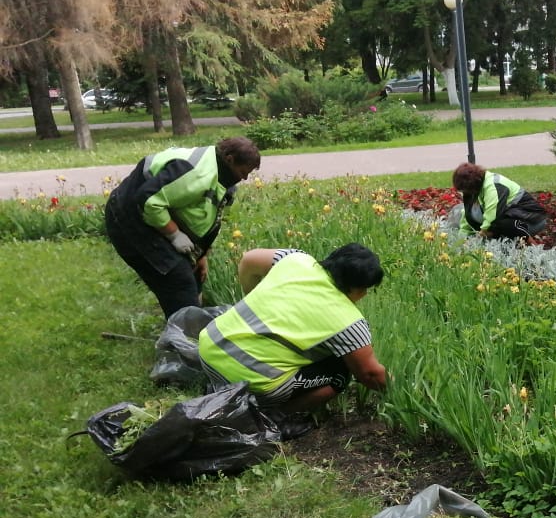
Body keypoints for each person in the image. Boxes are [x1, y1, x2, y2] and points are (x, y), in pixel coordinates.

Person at [198, 244, 388, 414]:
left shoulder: (295, 259)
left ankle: (222, 389)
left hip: (208, 350)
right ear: (356, 288)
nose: (364, 294)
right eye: (365, 289)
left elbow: (249, 259)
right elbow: (370, 374)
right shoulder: (349, 322)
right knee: (340, 371)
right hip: (253, 384)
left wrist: (252, 296)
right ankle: (275, 416)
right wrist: (397, 388)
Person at [104, 137, 261, 318]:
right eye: (242, 171)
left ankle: (189, 328)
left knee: (194, 274)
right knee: (177, 277)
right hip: (127, 214)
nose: (244, 178)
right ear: (230, 159)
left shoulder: (222, 177)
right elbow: (149, 201)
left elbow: (207, 218)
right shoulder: (195, 173)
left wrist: (201, 256)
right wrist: (174, 234)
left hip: (156, 212)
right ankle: (185, 339)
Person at [452, 162, 548, 240]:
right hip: (510, 219)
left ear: (472, 185)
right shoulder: (471, 191)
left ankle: (529, 244)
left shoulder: (494, 186)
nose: (463, 193)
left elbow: (492, 217)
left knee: (504, 225)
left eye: (464, 190)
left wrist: (479, 237)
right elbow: (467, 216)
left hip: (532, 220)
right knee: (460, 212)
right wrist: (462, 238)